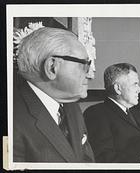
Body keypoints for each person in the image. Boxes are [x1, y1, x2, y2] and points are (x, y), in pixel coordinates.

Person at [13, 27, 95, 162]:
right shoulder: (12, 120)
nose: (90, 73)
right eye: (84, 64)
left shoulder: (72, 107)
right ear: (52, 67)